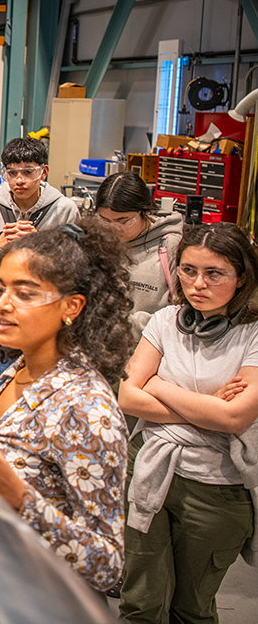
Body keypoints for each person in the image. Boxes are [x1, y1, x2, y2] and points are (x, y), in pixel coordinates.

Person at [0, 218, 134, 593]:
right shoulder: (20, 370)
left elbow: (106, 565)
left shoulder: (85, 407)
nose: (2, 305)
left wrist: (21, 499)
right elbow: (5, 453)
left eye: (25, 294)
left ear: (71, 306)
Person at [118, 222, 258, 624]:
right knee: (139, 602)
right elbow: (128, 396)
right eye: (188, 270)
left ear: (241, 276)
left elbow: (234, 416)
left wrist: (158, 385)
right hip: (149, 468)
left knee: (192, 609)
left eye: (214, 273)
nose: (198, 284)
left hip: (217, 487)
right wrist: (207, 407)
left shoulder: (252, 334)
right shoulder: (165, 320)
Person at [0, 137, 79, 420]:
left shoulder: (64, 209)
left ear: (43, 172)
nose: (19, 180)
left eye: (28, 171)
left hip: (44, 334)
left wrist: (40, 248)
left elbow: (75, 271)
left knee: (39, 418)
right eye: (12, 173)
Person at [94, 171, 182, 344]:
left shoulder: (171, 246)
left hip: (147, 349)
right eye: (105, 220)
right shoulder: (97, 241)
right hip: (100, 348)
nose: (113, 229)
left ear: (145, 212)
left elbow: (180, 313)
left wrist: (124, 327)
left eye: (123, 221)